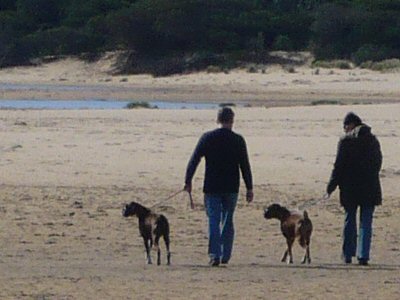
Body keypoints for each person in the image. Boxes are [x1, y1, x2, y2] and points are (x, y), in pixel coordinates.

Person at [184, 107, 253, 266]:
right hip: (231, 187)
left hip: (212, 186)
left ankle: (215, 254)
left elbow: (194, 160)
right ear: (232, 121)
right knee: (228, 220)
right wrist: (249, 187)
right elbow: (245, 165)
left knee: (213, 220)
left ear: (218, 120)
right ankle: (225, 255)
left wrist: (188, 180)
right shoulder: (238, 140)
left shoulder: (208, 137)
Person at [326, 112, 382, 266]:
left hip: (350, 187)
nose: (344, 129)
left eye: (345, 126)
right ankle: (363, 255)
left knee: (349, 219)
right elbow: (378, 162)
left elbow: (338, 166)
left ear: (351, 125)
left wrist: (331, 186)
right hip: (370, 186)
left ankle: (348, 254)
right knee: (366, 221)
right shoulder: (373, 140)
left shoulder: (345, 141)